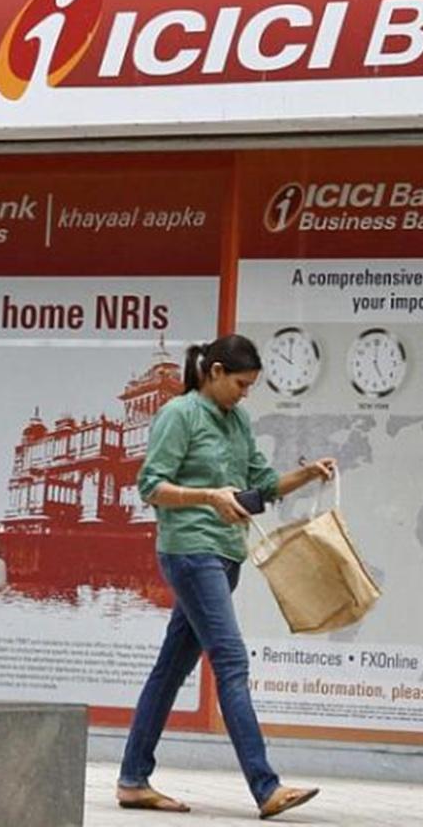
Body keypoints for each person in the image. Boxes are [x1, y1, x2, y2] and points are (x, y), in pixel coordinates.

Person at [117, 334, 335, 817]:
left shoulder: (237, 419)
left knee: (170, 669)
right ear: (214, 372)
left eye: (250, 386)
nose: (245, 393)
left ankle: (133, 780)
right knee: (232, 662)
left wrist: (308, 474)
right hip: (192, 552)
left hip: (225, 554)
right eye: (240, 383)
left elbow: (258, 486)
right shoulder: (179, 414)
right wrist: (210, 496)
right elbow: (150, 487)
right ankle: (265, 787)